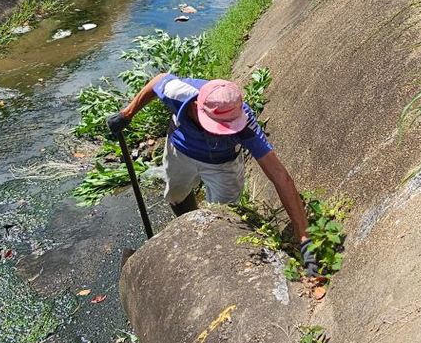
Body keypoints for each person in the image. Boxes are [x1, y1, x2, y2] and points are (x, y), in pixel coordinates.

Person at [107, 74, 319, 275]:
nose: (219, 131)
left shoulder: (245, 125)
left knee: (224, 218)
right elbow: (158, 81)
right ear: (198, 107)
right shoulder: (179, 92)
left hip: (223, 165)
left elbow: (280, 176)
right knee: (175, 196)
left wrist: (305, 241)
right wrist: (127, 114)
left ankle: (216, 252)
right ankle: (190, 224)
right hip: (180, 151)